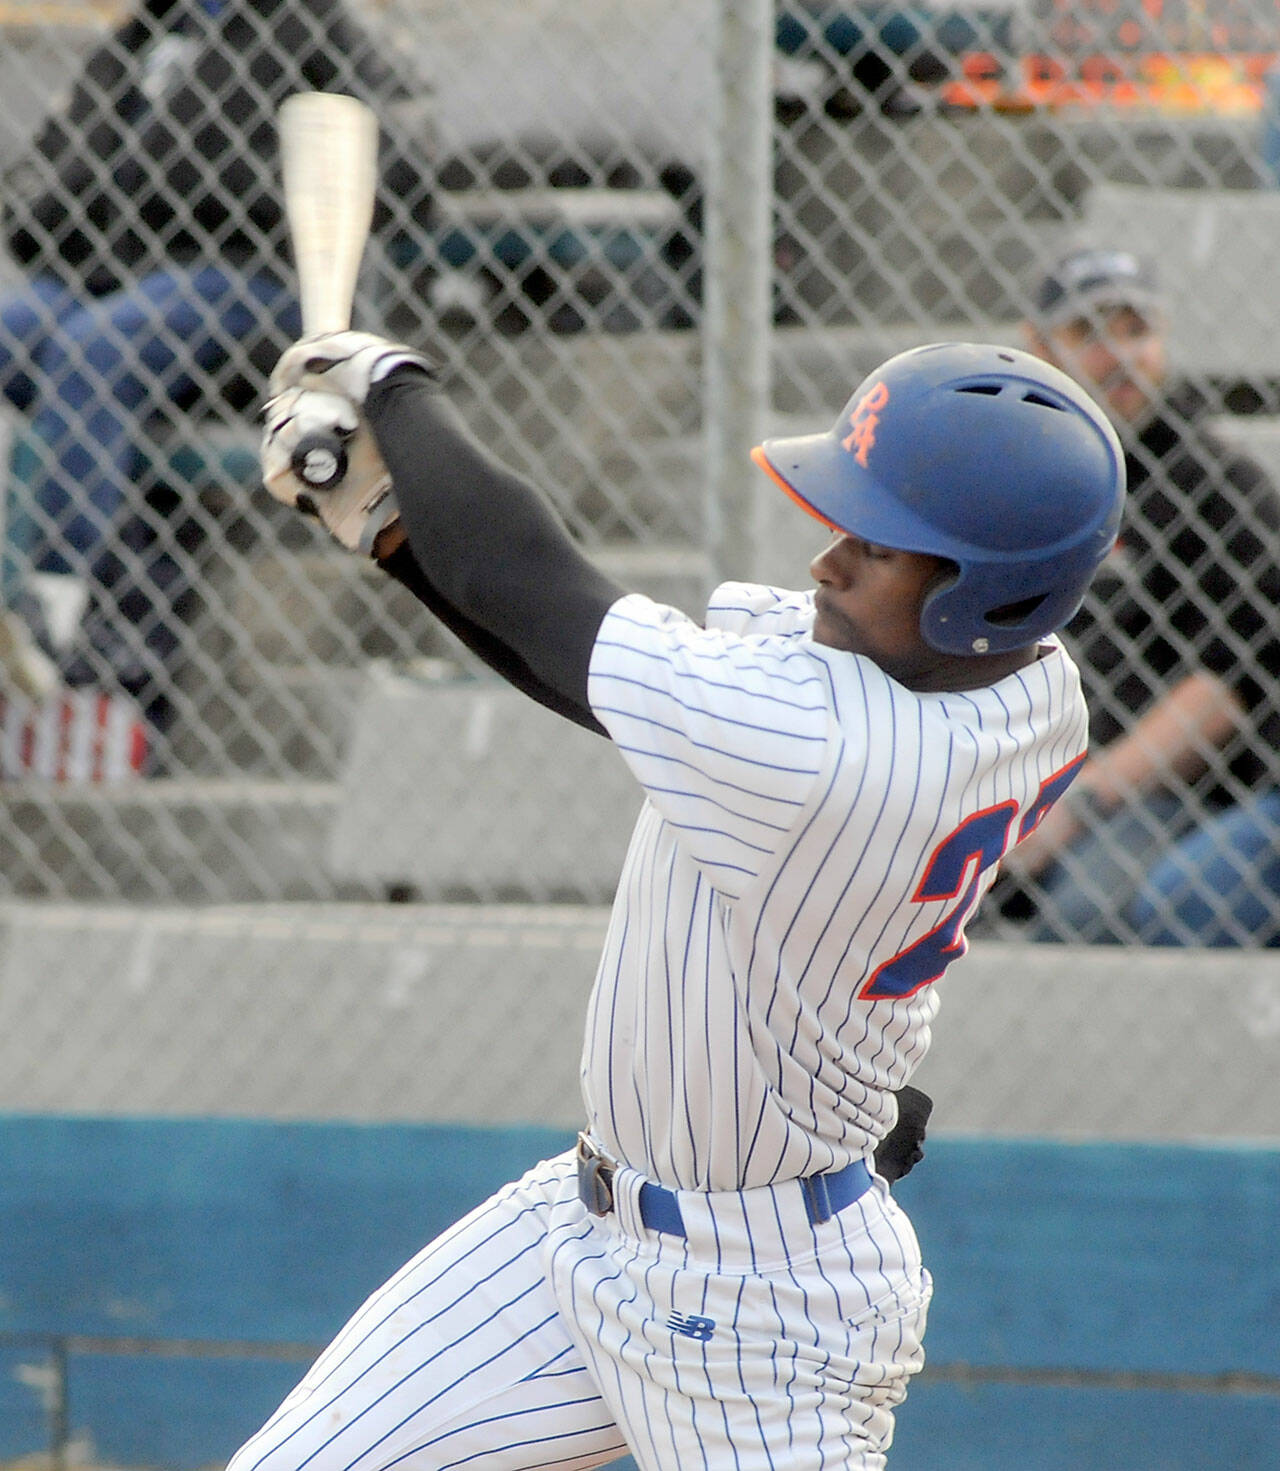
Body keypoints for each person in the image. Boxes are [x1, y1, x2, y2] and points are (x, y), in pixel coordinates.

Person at [230, 332, 1123, 1470]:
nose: (827, 563)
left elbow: (537, 594)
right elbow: (582, 670)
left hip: (764, 1315)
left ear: (981, 595)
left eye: (880, 545)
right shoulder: (1033, 686)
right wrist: (396, 535)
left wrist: (395, 389)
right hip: (583, 1230)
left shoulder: (825, 745)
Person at [0, 0, 432, 758]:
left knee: (96, 350)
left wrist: (243, 184)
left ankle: (51, 603)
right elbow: (43, 189)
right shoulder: (143, 35)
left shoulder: (308, 24)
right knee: (27, 328)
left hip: (247, 277)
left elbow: (400, 171)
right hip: (105, 276)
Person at [999, 247, 1280, 945]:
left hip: (1179, 788)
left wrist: (1080, 802)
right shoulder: (1017, 478)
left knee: (1082, 911)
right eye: (1089, 333)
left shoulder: (1216, 483)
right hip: (1028, 776)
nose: (1118, 354)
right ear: (1037, 347)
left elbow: (1229, 684)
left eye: (1135, 329)